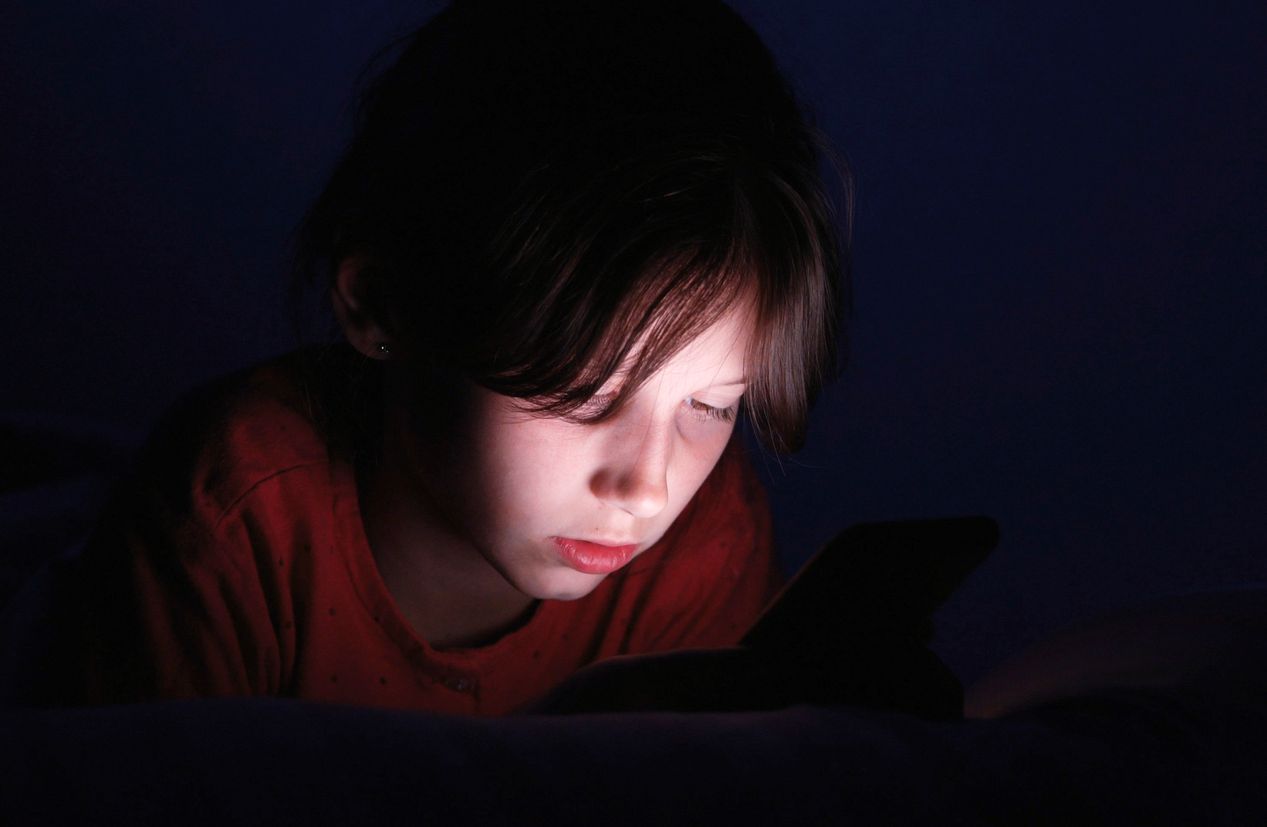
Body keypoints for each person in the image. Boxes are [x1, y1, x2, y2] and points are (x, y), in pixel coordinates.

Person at [19, 0, 849, 715]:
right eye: (581, 389)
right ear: (381, 305)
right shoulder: (235, 520)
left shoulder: (705, 544)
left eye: (708, 407)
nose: (646, 487)